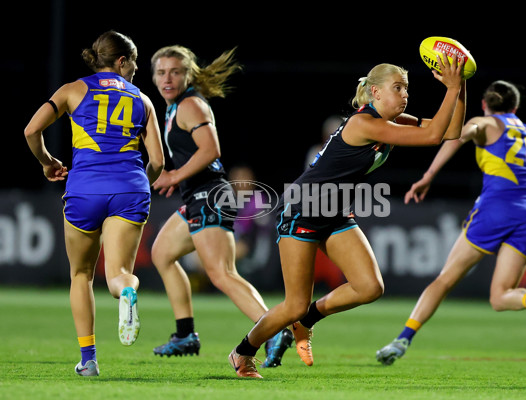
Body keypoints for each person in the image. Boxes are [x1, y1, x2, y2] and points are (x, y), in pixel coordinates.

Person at [229, 53, 467, 378]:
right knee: (293, 304)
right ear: (376, 92)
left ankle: (306, 321)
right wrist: (451, 90)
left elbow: (451, 132)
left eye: (407, 89)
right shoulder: (364, 123)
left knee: (369, 287)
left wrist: (461, 84)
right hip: (302, 208)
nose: (405, 95)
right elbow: (433, 136)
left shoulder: (390, 123)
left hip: (333, 210)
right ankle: (243, 353)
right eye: (398, 88)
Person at [376, 80, 526, 366]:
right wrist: (525, 193)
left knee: (444, 280)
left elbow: (457, 136)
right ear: (515, 107)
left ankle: (402, 340)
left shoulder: (487, 123)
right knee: (500, 297)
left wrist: (429, 175)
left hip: (495, 211)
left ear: (485, 105)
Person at [23, 30, 165, 377]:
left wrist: (47, 162)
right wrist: (134, 184)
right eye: (133, 63)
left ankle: (88, 360)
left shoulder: (73, 90)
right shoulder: (143, 101)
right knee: (118, 274)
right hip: (130, 189)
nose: (135, 70)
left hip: (84, 190)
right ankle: (128, 293)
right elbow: (158, 162)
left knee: (81, 275)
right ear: (121, 61)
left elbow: (30, 131)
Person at [149, 45, 293, 367]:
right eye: (161, 72)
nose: (167, 78)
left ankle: (273, 330)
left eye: (175, 71)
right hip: (198, 196)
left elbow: (211, 150)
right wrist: (177, 178)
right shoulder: (174, 108)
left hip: (209, 195)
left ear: (189, 74)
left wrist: (174, 174)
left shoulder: (190, 105)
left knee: (222, 274)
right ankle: (185, 334)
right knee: (162, 253)